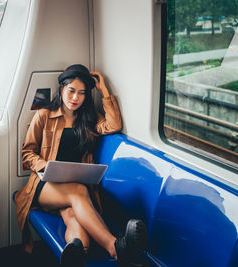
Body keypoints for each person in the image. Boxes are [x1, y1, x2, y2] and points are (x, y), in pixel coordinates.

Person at [15, 64, 147, 267]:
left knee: (72, 215)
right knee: (77, 192)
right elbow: (27, 154)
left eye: (82, 93)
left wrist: (104, 91)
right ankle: (115, 246)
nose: (75, 98)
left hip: (75, 192)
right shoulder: (44, 116)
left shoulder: (90, 119)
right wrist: (46, 167)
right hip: (45, 187)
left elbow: (113, 126)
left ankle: (77, 253)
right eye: (71, 91)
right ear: (62, 89)